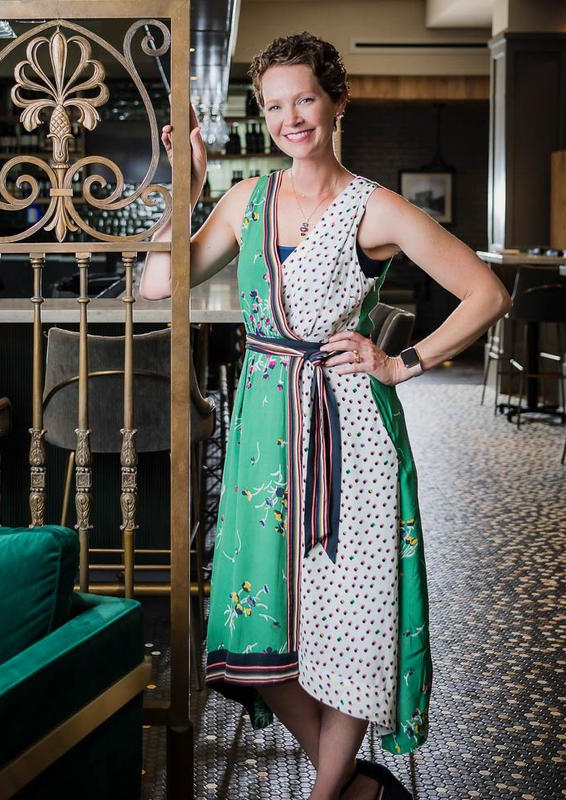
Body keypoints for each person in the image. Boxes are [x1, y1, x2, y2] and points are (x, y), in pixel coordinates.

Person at [140, 32, 511, 800]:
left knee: (353, 623)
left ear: (338, 101)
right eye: (275, 105)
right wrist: (187, 185)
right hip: (263, 437)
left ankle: (325, 795)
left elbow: (487, 293)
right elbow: (156, 285)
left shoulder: (375, 207)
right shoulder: (246, 201)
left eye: (305, 99)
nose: (291, 119)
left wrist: (400, 363)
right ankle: (359, 789)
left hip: (352, 437)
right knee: (252, 624)